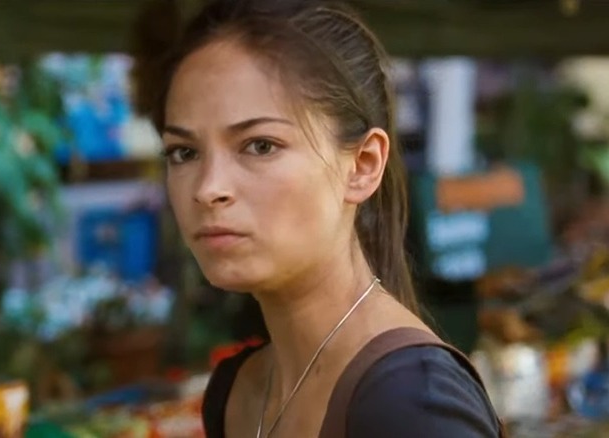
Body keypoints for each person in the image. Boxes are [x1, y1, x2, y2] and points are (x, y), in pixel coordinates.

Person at [146, 0, 504, 436]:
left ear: (363, 165)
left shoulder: (411, 401)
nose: (207, 189)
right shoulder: (236, 392)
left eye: (260, 145)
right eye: (184, 153)